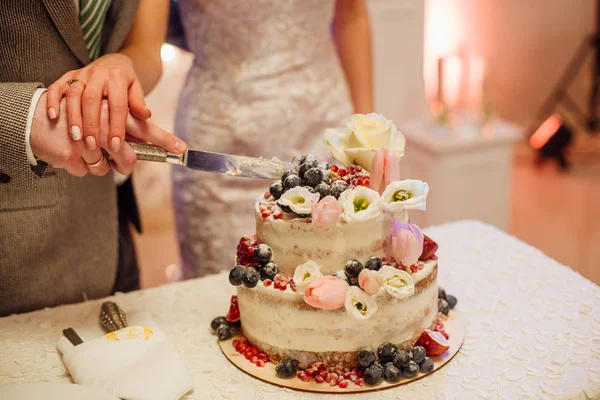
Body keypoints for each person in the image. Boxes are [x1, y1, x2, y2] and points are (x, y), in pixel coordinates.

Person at [0, 0, 185, 316]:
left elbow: (145, 47)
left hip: (111, 224)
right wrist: (28, 118)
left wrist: (122, 64)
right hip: (16, 245)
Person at [172, 0, 374, 278]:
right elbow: (141, 48)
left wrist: (366, 135)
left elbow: (352, 16)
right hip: (220, 149)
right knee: (222, 293)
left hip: (323, 132)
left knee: (331, 282)